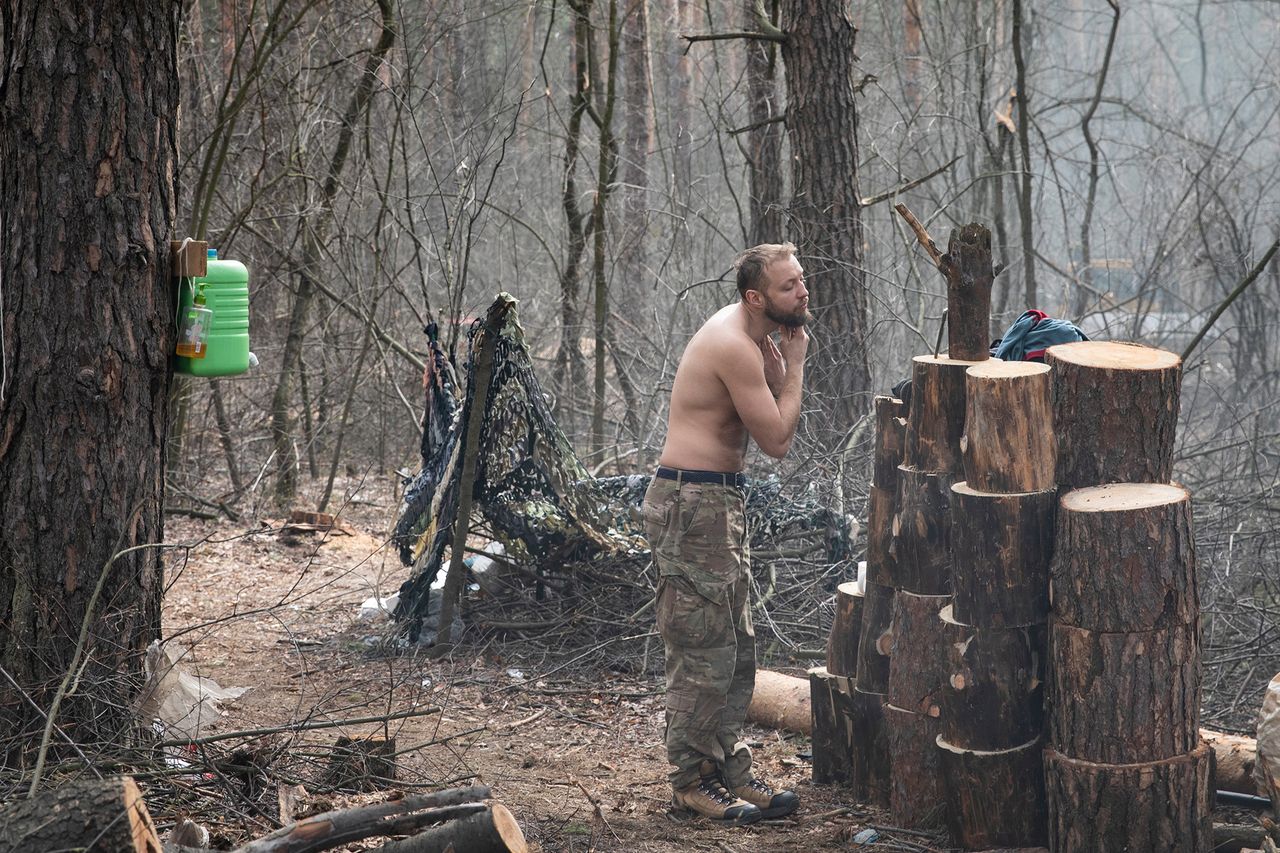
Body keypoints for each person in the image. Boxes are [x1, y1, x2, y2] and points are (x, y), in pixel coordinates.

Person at [642, 242, 809, 825]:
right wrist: (799, 366)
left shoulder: (757, 336)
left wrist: (782, 358)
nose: (803, 292)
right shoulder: (735, 344)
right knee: (701, 652)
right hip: (691, 504)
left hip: (716, 503)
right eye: (789, 286)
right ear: (755, 297)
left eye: (802, 280)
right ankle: (691, 782)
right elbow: (778, 440)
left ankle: (728, 770)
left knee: (736, 648)